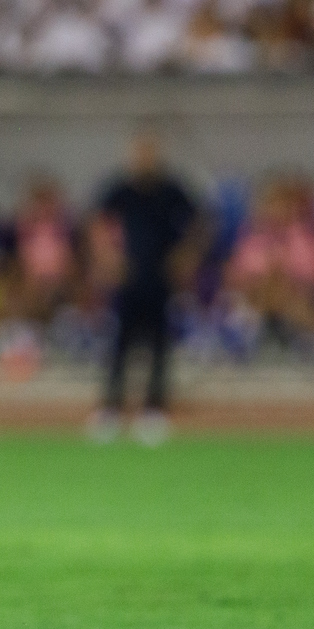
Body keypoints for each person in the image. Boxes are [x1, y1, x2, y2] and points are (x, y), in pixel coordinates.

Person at [91, 131, 202, 445]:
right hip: (129, 278)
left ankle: (154, 409)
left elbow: (199, 223)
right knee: (120, 344)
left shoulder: (171, 189)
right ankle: (111, 408)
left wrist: (186, 256)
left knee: (158, 344)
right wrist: (108, 257)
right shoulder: (121, 189)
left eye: (148, 153)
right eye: (139, 153)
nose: (143, 159)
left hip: (160, 277)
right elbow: (96, 222)